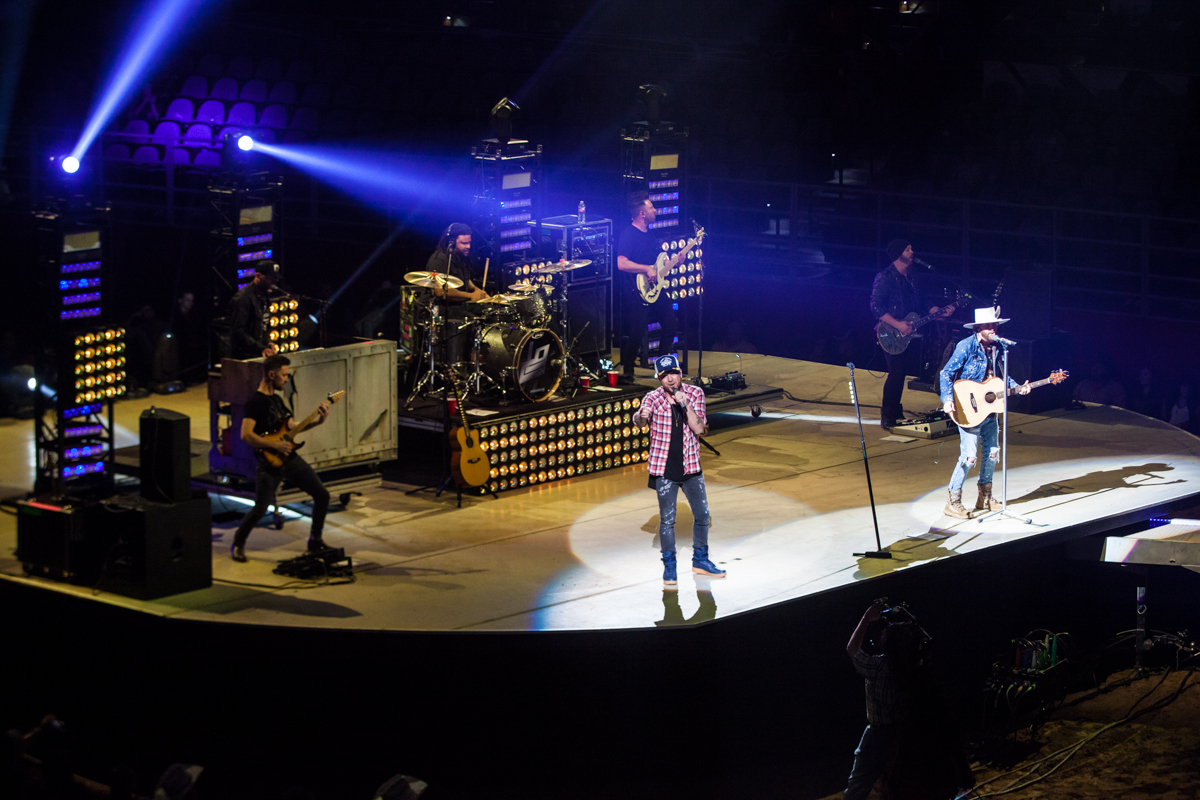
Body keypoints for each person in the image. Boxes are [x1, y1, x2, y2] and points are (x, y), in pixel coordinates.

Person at [631, 353, 725, 585]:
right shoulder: (653, 398)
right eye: (665, 376)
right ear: (659, 379)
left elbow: (699, 429)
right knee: (667, 520)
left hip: (691, 466)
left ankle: (700, 560)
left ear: (680, 373)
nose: (670, 379)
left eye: (674, 373)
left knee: (703, 515)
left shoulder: (695, 393)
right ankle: (670, 566)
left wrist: (686, 404)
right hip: (665, 470)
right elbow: (640, 421)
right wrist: (641, 416)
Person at [230, 354, 331, 562]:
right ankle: (238, 543)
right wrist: (274, 445)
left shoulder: (277, 400)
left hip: (289, 458)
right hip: (269, 463)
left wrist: (318, 421)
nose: (286, 379)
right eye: (284, 375)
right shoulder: (256, 402)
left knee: (322, 494)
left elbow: (291, 426)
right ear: (271, 375)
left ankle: (315, 540)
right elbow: (246, 435)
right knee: (260, 509)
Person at [939, 308, 1030, 518]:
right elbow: (946, 373)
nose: (993, 329)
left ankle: (985, 498)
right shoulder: (966, 346)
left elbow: (1001, 378)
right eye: (989, 326)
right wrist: (948, 399)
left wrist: (1018, 387)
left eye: (995, 325)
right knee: (969, 457)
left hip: (990, 409)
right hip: (969, 407)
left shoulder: (998, 348)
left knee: (992, 453)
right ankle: (953, 501)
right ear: (979, 327)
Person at [870, 239, 953, 428]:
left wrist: (937, 311)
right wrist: (898, 325)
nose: (912, 252)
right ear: (898, 254)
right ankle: (887, 414)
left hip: (909, 332)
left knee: (901, 372)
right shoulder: (885, 277)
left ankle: (895, 411)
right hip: (890, 332)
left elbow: (922, 300)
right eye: (908, 249)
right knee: (896, 372)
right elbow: (876, 307)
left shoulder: (913, 275)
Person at [616, 192, 679, 385]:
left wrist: (674, 262)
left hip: (655, 288)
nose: (655, 210)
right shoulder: (628, 234)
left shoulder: (651, 234)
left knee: (670, 322)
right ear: (642, 213)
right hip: (636, 290)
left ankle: (662, 367)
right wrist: (645, 269)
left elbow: (658, 264)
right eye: (651, 208)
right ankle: (628, 372)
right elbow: (621, 263)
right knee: (638, 330)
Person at [425, 223, 488, 367]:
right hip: (443, 307)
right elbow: (441, 292)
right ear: (451, 242)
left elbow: (465, 280)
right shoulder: (439, 260)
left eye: (469, 242)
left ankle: (484, 362)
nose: (468, 246)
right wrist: (470, 296)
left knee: (488, 313)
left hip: (459, 303)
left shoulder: (461, 257)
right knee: (472, 320)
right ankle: (463, 362)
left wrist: (477, 290)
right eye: (464, 243)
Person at [229, 261, 282, 360]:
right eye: (271, 279)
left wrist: (268, 342)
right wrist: (260, 348)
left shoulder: (264, 296)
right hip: (245, 358)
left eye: (276, 279)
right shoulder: (242, 298)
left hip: (258, 354)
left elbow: (263, 325)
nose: (274, 283)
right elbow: (238, 332)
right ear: (258, 276)